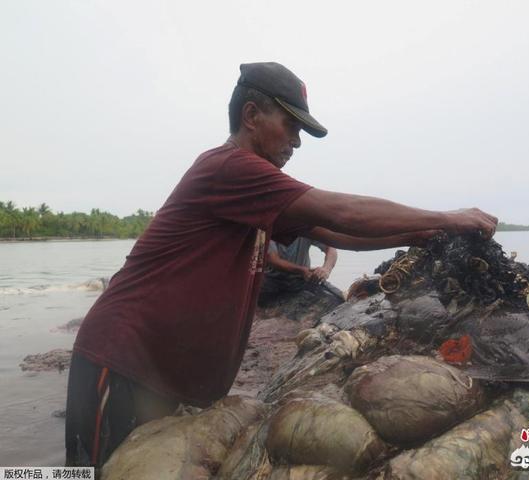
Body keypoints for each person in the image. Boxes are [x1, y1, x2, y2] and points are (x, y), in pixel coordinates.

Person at [65, 62, 498, 468]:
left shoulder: (253, 193)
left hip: (162, 375)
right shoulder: (230, 168)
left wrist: (417, 235)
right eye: (291, 125)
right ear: (252, 115)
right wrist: (445, 217)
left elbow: (334, 233)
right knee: (90, 473)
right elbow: (340, 212)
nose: (296, 141)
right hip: (122, 358)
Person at [258, 237, 342, 307]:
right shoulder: (272, 226)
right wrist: (302, 270)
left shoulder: (306, 226)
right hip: (271, 280)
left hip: (301, 279)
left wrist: (326, 269)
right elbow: (272, 259)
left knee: (340, 297)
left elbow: (331, 248)